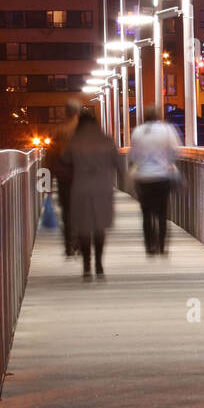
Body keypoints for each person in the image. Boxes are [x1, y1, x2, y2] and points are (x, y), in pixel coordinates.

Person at [61, 108, 120, 281]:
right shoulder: (106, 140)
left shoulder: (75, 141)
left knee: (84, 228)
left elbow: (65, 159)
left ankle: (87, 266)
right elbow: (117, 163)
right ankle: (99, 265)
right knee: (99, 227)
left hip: (81, 189)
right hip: (102, 189)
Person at [127, 105, 183, 255]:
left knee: (146, 213)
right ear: (159, 116)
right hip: (162, 176)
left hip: (143, 177)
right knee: (162, 212)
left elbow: (133, 156)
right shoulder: (167, 129)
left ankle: (149, 246)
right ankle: (162, 246)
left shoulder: (137, 131)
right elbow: (176, 150)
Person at [43, 98, 81, 256]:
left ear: (66, 112)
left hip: (64, 177)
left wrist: (46, 183)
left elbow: (50, 157)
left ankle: (68, 244)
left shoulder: (57, 130)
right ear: (79, 112)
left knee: (67, 211)